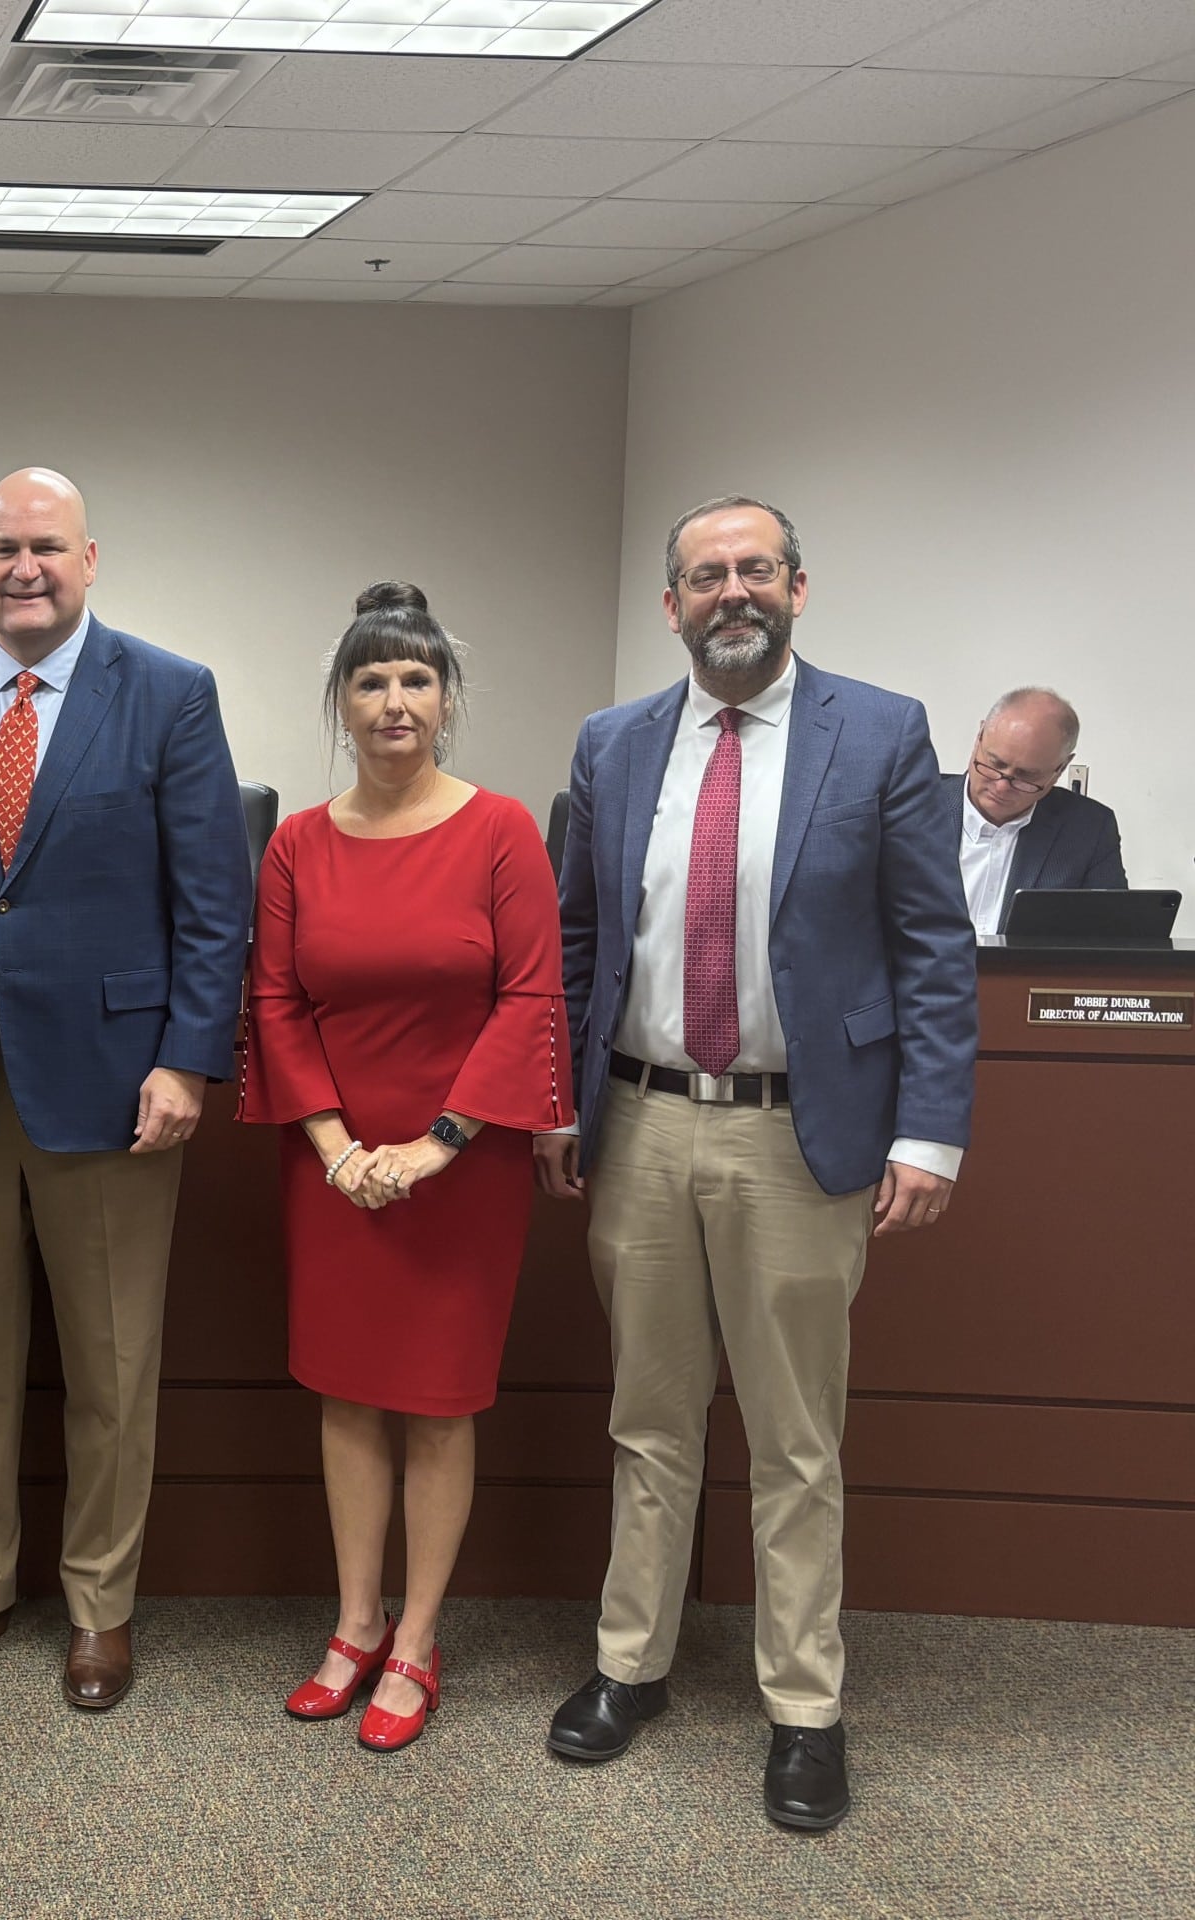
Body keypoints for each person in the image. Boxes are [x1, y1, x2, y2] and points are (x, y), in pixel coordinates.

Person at [536, 496, 976, 1830]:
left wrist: (929, 1128)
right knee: (648, 1420)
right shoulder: (612, 745)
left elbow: (933, 949)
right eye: (704, 575)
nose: (732, 592)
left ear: (796, 587)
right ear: (669, 604)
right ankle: (633, 1666)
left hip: (803, 1131)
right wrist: (559, 1102)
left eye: (753, 571)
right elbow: (573, 941)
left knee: (796, 1438)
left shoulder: (881, 733)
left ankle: (805, 1705)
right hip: (645, 1120)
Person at [0, 467, 252, 1711]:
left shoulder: (169, 692)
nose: (21, 569)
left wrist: (188, 1058)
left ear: (90, 559)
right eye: (0, 551)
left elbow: (212, 900)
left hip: (113, 1084)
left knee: (111, 1364)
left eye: (45, 547)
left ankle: (100, 1605)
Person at [240, 582, 572, 1753]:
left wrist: (435, 1148)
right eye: (371, 681)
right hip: (332, 1165)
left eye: (415, 680)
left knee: (433, 1404)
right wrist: (335, 1149)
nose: (393, 701)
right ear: (341, 702)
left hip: (457, 1167)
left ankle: (418, 1639)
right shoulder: (294, 843)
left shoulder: (501, 830)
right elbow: (275, 1001)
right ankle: (352, 1623)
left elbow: (531, 997)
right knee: (344, 1394)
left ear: (446, 701)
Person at [950, 687, 1126, 931]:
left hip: (1028, 970)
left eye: (1026, 776)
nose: (1001, 787)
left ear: (1061, 768)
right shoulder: (912, 805)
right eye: (995, 763)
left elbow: (1112, 937)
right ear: (979, 735)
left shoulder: (1089, 828)